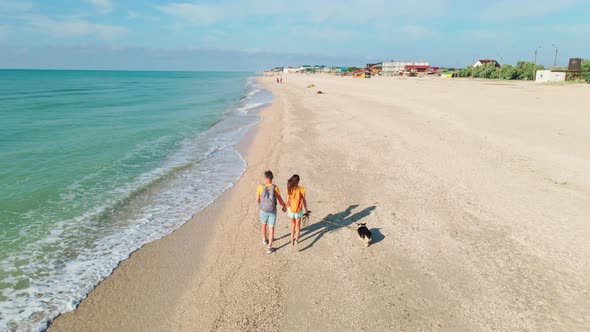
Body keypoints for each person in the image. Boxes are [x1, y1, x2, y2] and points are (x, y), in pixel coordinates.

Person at [256, 170, 287, 253]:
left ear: (265, 178)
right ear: (272, 178)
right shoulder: (275, 187)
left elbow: (257, 200)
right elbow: (280, 200)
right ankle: (269, 247)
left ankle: (264, 240)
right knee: (271, 228)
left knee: (263, 225)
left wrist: (261, 205)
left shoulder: (260, 187)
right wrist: (284, 206)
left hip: (263, 210)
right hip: (273, 210)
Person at [286, 174, 308, 250]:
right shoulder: (302, 189)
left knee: (293, 225)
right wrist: (306, 209)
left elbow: (288, 200)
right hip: (299, 210)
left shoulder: (289, 188)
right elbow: (304, 200)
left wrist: (286, 207)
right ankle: (296, 240)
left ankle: (291, 240)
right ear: (298, 181)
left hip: (291, 210)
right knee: (298, 226)